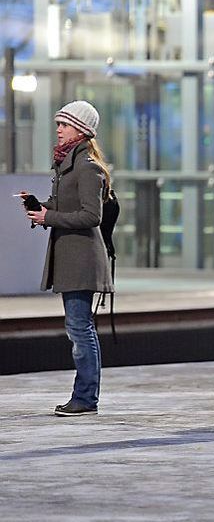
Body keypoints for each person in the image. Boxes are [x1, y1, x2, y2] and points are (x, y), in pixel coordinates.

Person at [19, 101, 112, 417]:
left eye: (65, 124)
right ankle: (85, 396)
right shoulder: (68, 163)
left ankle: (85, 397)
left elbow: (91, 216)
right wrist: (38, 207)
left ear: (81, 130)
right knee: (78, 327)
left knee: (79, 328)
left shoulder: (86, 166)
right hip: (71, 256)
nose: (58, 129)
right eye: (58, 123)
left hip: (81, 258)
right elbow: (65, 207)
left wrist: (50, 216)